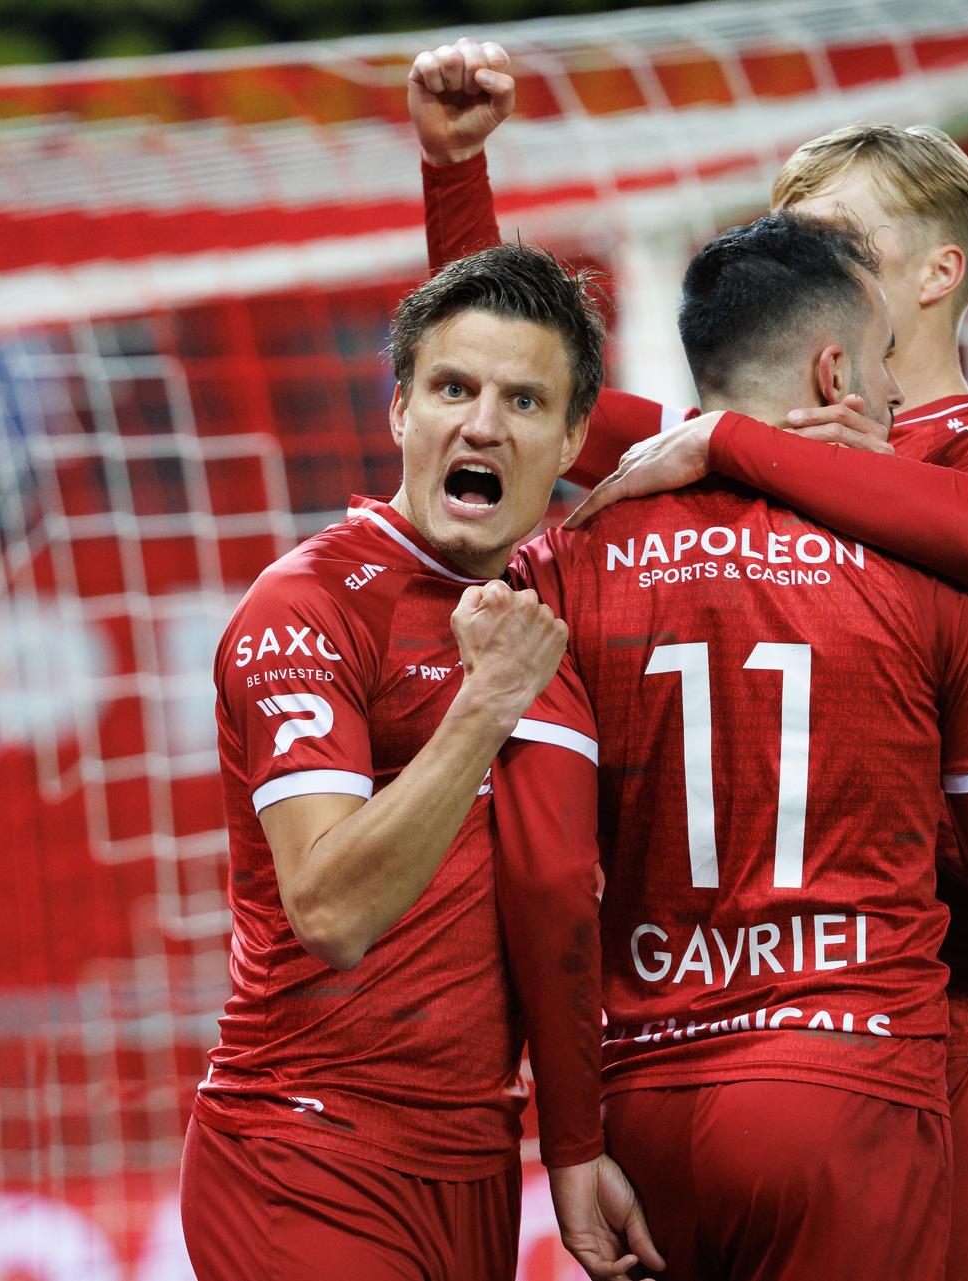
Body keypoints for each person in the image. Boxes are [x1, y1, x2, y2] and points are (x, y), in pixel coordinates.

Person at [409, 39, 968, 1277]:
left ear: (937, 273)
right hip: (789, 1020)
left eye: (834, 231)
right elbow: (525, 391)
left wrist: (733, 436)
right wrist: (456, 172)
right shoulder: (730, 449)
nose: (801, 256)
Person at [181, 244, 659, 1280]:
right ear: (400, 412)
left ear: (575, 437)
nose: (482, 423)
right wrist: (486, 705)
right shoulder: (307, 606)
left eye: (524, 401)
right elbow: (332, 911)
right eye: (452, 388)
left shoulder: (549, 600)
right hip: (305, 1149)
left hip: (472, 1166)